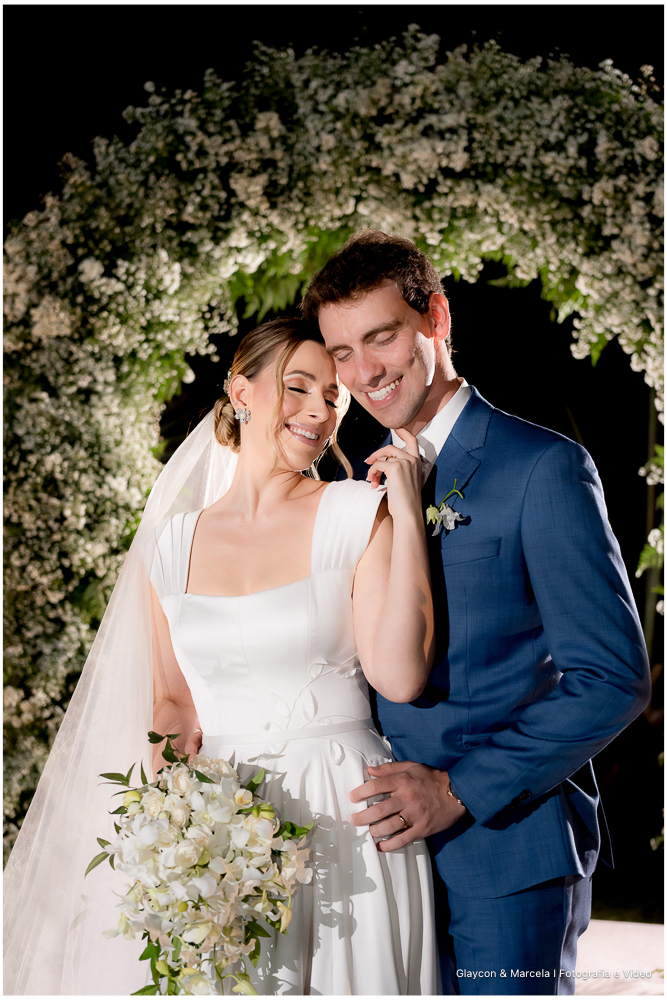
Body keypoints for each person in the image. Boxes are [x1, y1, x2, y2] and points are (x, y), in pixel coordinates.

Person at [4, 316, 440, 996]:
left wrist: (406, 513)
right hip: (224, 829)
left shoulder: (356, 512)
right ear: (241, 392)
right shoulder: (169, 543)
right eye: (298, 387)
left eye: (333, 397)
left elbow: (400, 676)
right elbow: (173, 702)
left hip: (345, 812)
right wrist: (173, 827)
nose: (319, 411)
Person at [302, 230, 651, 996]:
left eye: (381, 337)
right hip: (376, 865)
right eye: (341, 352)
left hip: (504, 853)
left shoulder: (542, 467)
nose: (363, 372)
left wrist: (457, 791)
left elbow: (611, 680)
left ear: (436, 318)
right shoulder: (357, 491)